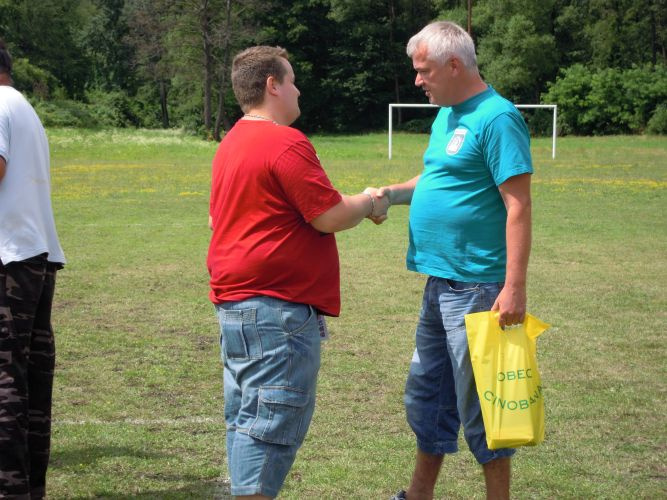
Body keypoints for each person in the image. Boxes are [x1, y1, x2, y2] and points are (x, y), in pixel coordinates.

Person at [207, 45, 389, 499]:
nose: (298, 89)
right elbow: (329, 215)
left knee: (247, 421)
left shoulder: (231, 143)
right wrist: (370, 202)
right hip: (274, 312)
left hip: (238, 308)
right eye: (291, 80)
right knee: (268, 429)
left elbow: (218, 220)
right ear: (272, 85)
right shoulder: (284, 141)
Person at [370, 21, 533, 500]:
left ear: (454, 65)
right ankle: (419, 494)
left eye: (424, 70)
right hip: (440, 282)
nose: (417, 80)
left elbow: (518, 206)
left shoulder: (497, 118)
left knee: (484, 407)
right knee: (428, 396)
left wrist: (514, 288)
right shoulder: (445, 115)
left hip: (479, 288)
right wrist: (391, 194)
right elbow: (437, 178)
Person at [0, 40, 66, 499]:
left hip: (8, 257)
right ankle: (28, 488)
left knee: (5, 379)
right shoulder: (21, 106)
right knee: (30, 383)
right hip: (35, 255)